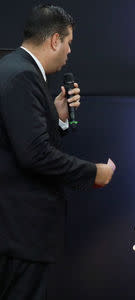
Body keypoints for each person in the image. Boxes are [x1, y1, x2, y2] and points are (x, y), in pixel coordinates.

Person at [0, 5, 115, 299]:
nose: (69, 53)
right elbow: (34, 153)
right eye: (68, 43)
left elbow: (18, 139)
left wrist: (57, 117)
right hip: (19, 233)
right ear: (54, 40)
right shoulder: (22, 76)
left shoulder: (12, 67)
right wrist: (94, 173)